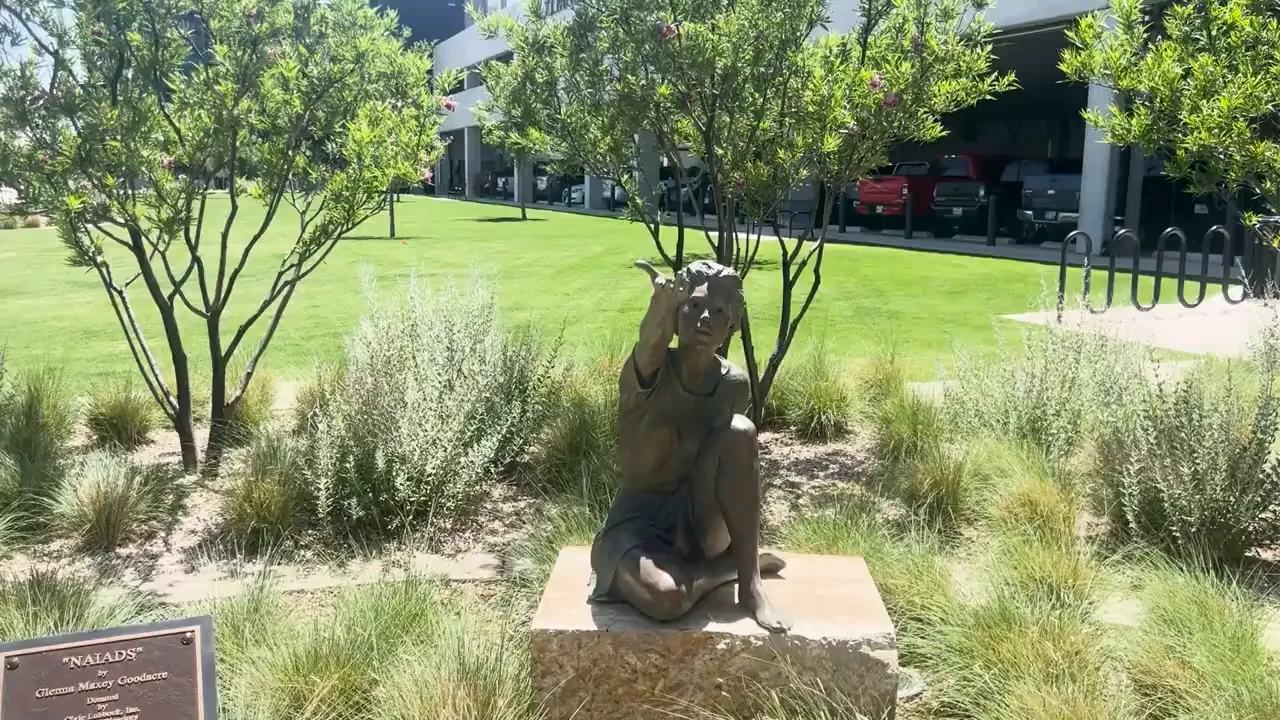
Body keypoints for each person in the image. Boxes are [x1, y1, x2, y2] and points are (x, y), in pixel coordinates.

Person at [588, 259, 791, 633]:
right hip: (636, 528)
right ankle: (728, 569)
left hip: (697, 525)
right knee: (669, 598)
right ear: (677, 312)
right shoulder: (647, 371)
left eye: (718, 311)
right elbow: (650, 340)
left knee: (741, 431)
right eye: (694, 305)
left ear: (731, 325)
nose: (705, 318)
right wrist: (660, 307)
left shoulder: (733, 386)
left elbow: (732, 466)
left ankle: (750, 585)